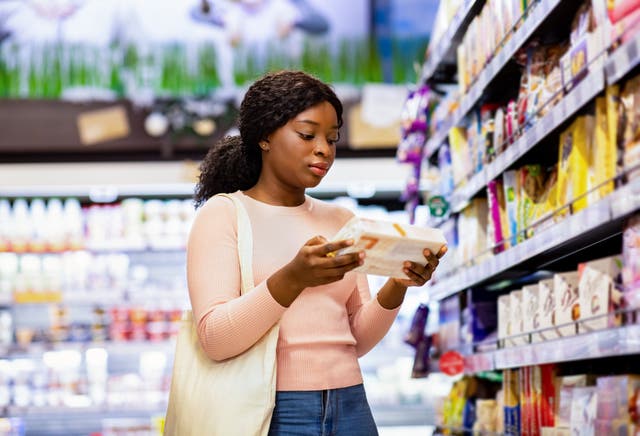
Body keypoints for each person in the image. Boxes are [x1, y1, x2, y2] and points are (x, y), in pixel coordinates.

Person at [187, 70, 447, 435]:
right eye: (307, 135)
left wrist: (398, 284)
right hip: (270, 409)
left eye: (332, 138)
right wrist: (292, 279)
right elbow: (215, 338)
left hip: (351, 402)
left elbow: (355, 340)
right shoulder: (224, 214)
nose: (324, 149)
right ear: (264, 136)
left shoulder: (341, 219)